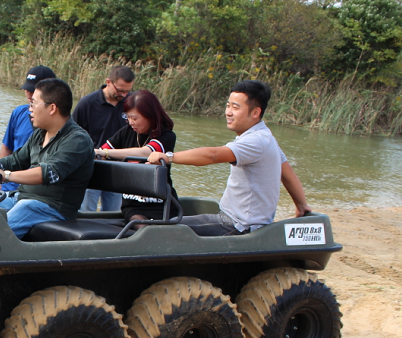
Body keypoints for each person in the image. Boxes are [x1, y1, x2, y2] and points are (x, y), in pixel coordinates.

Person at [148, 80, 311, 236]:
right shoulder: (265, 137)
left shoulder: (255, 141)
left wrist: (168, 157)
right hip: (237, 220)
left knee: (162, 229)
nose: (228, 112)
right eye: (228, 105)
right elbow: (287, 172)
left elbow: (213, 155)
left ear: (255, 112)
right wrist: (301, 206)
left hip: (238, 225)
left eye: (236, 107)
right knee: (165, 224)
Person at [0, 78, 95, 239]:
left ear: (52, 108)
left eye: (33, 104)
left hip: (52, 208)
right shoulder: (40, 134)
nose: (30, 109)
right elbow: (16, 160)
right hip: (21, 198)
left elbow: (49, 173)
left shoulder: (77, 140)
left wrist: (6, 176)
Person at [95, 90, 178, 222]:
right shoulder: (126, 132)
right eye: (127, 118)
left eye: (134, 118)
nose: (130, 122)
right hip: (133, 204)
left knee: (161, 231)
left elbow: (146, 152)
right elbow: (101, 152)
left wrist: (106, 153)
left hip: (161, 203)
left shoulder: (166, 136)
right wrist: (99, 153)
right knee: (140, 225)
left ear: (150, 116)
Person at [72, 65, 136, 212]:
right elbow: (72, 135)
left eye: (127, 91)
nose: (124, 94)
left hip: (119, 168)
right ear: (108, 82)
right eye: (120, 90)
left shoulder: (131, 104)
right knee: (86, 210)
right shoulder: (87, 103)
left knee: (114, 212)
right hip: (91, 167)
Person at [0, 65, 56, 192]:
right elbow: (7, 148)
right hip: (9, 186)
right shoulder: (18, 113)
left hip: (34, 191)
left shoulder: (60, 124)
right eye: (27, 89)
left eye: (33, 90)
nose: (29, 94)